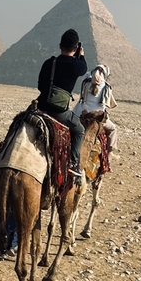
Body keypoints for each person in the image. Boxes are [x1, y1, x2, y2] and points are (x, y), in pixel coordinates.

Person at [37, 29, 88, 176]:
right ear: (76, 48)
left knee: (20, 121)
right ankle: (73, 163)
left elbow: (40, 86)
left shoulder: (49, 63)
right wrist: (81, 56)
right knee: (80, 130)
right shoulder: (77, 66)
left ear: (60, 46)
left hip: (40, 107)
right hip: (59, 112)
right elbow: (83, 67)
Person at [73, 65, 119, 155]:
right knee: (113, 129)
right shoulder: (107, 88)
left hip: (80, 114)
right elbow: (109, 104)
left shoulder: (85, 81)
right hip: (96, 118)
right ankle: (109, 152)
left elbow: (88, 73)